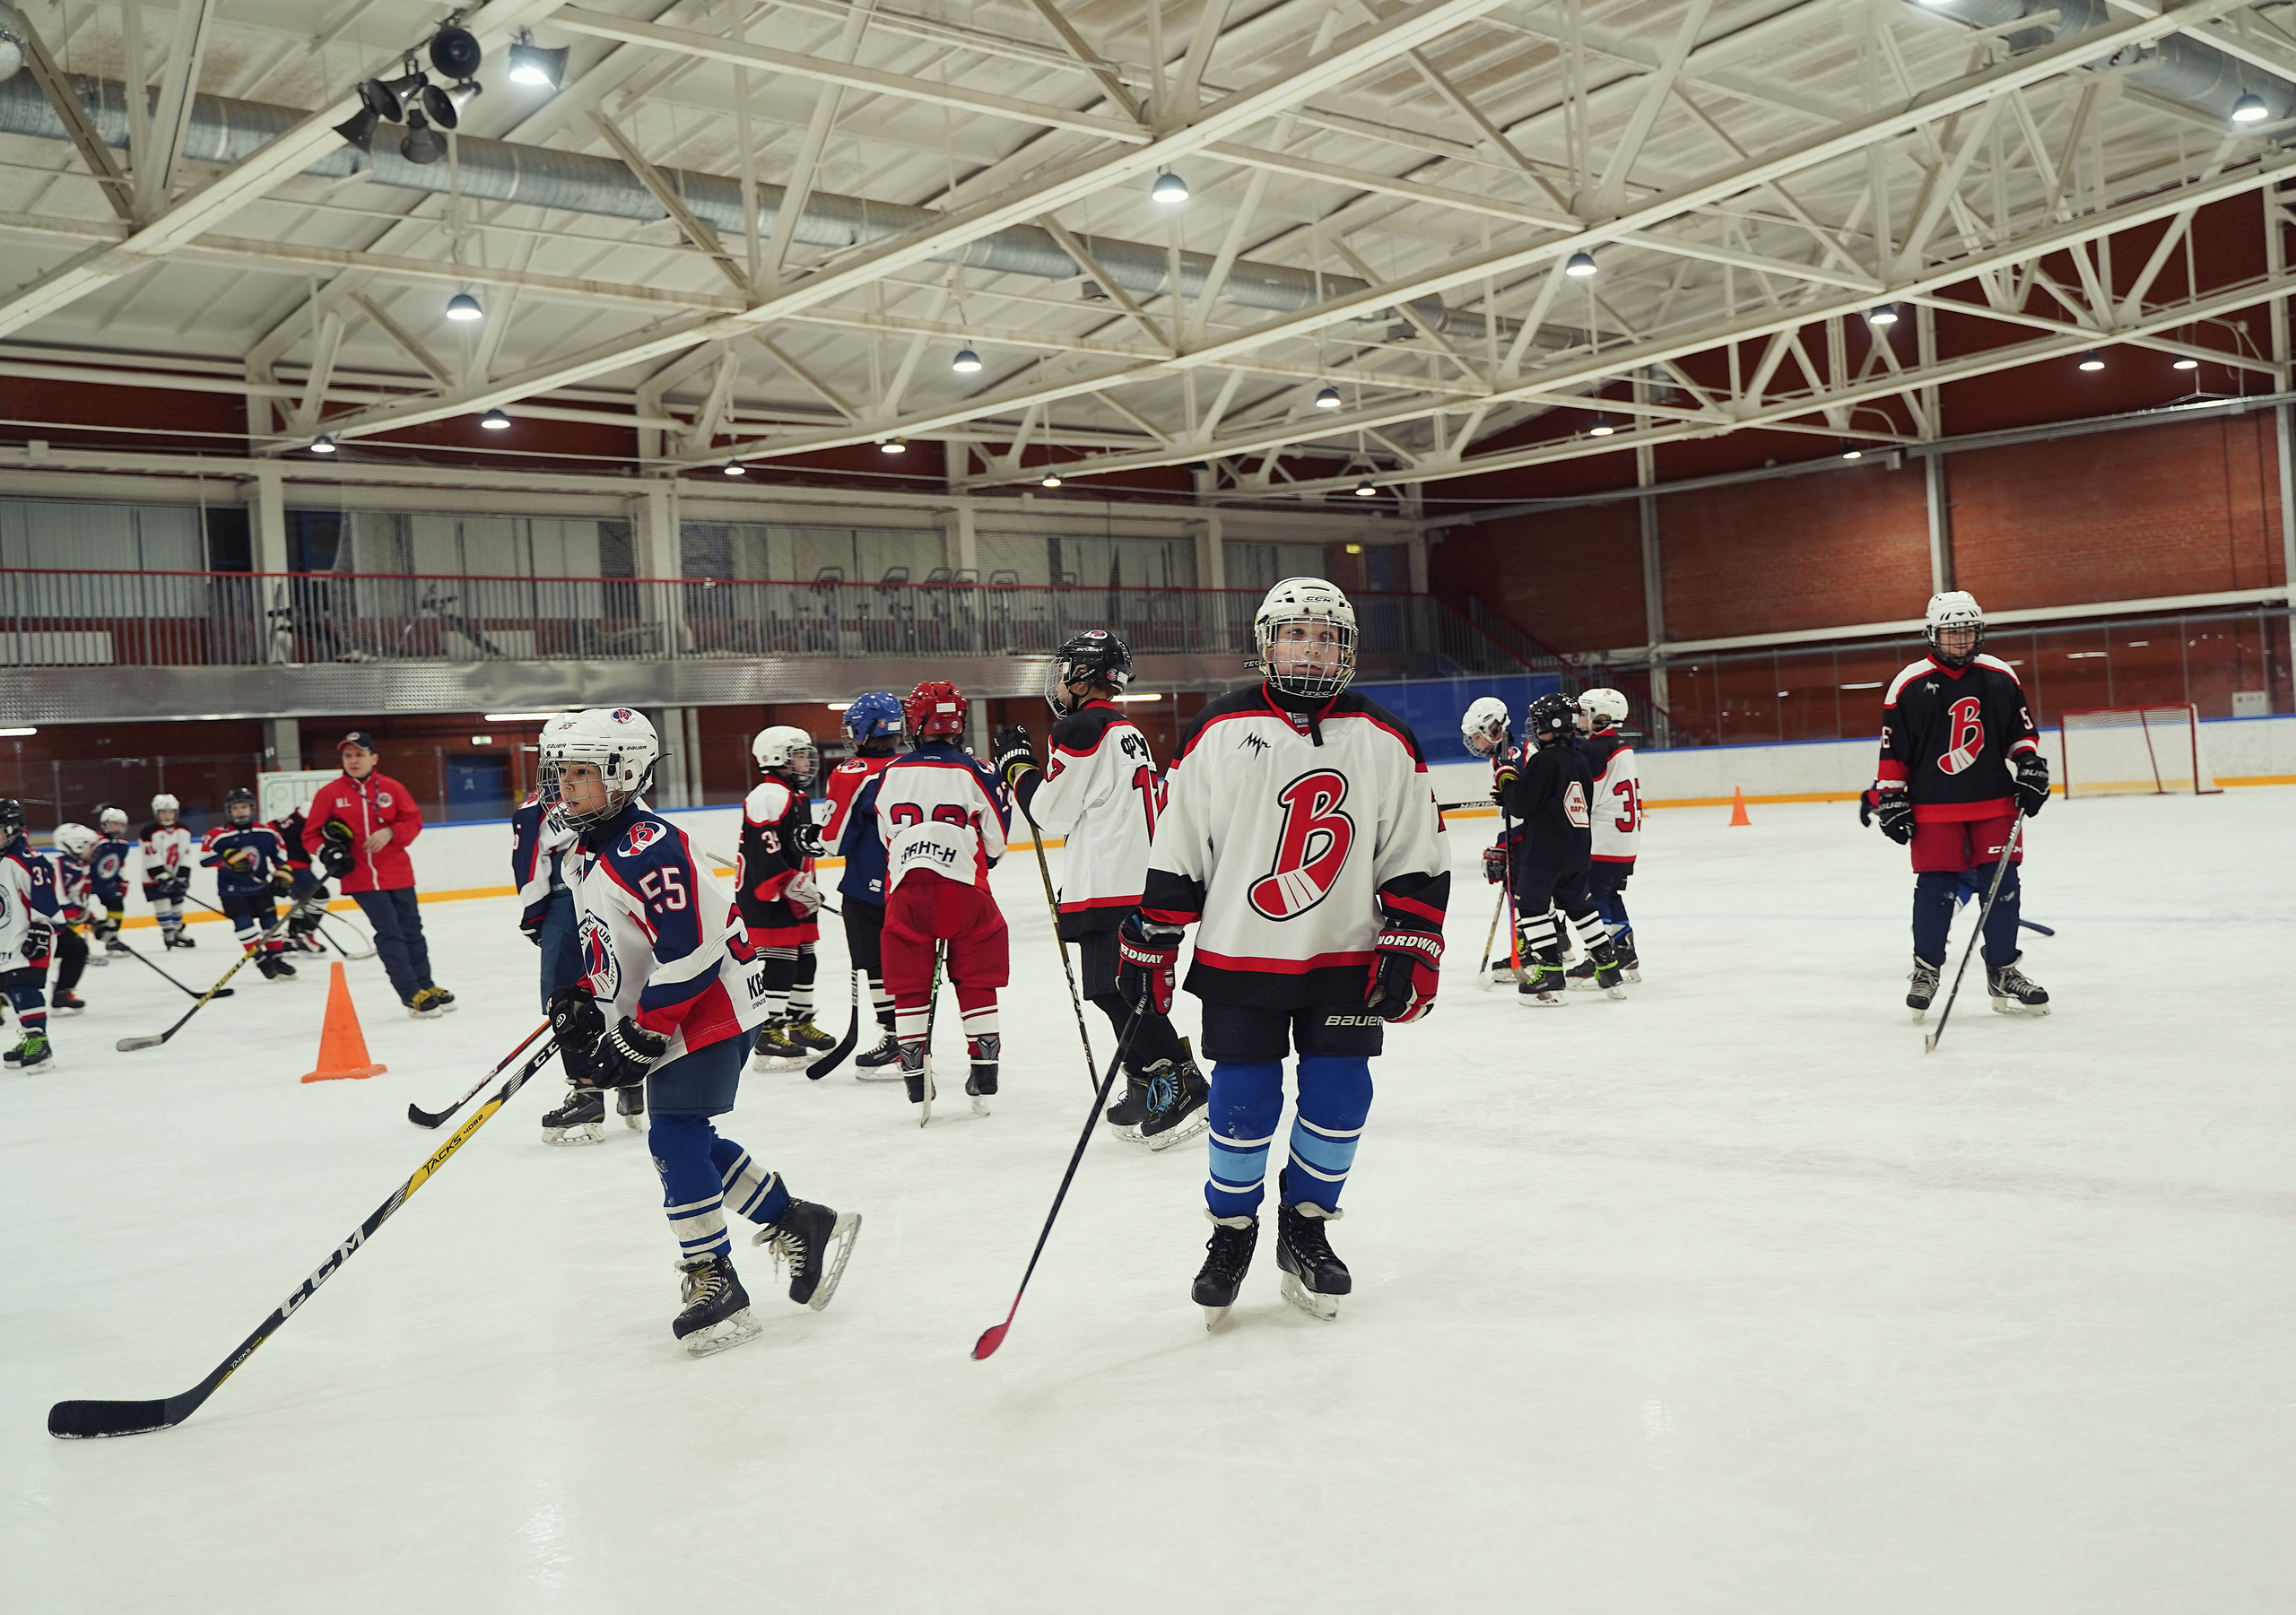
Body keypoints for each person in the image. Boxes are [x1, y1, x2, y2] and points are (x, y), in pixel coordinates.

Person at [1120, 577, 1449, 1328]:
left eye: (1328, 635)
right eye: (1297, 633)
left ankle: (1305, 1226)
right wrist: (1152, 936)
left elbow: (1415, 849)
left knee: (1341, 1096)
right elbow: (1182, 844)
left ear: (1347, 649)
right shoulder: (1220, 729)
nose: (1313, 646)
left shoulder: (1384, 735)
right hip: (1243, 952)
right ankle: (1231, 1234)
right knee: (1242, 1103)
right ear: (1267, 643)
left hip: (1344, 956)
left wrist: (1411, 939)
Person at [539, 706, 860, 1357]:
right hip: (675, 1005)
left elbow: (689, 951)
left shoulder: (648, 846)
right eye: (561, 772)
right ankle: (798, 1217)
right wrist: (584, 997)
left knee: (674, 1133)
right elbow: (611, 941)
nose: (564, 785)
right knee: (688, 1137)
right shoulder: (590, 844)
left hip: (708, 1005)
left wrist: (644, 1032)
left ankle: (713, 1275)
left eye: (580, 772)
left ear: (624, 773)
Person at [991, 629, 1208, 1148]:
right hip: (1122, 880)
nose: (1059, 681)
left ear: (1082, 675)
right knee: (1113, 992)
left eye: (1065, 670)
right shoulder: (1120, 728)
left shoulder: (1083, 727)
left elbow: (1047, 812)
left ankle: (1180, 1082)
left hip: (1114, 885)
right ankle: (1145, 1079)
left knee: (1123, 994)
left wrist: (1016, 765)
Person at [1870, 590, 2050, 1018]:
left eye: (1967, 632)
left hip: (1995, 804)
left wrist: (2029, 764)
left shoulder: (1999, 675)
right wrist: (1892, 796)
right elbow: (1894, 751)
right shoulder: (1908, 684)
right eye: (1951, 633)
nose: (1960, 641)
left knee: (2002, 889)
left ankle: (2004, 969)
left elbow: (2019, 733)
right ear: (1932, 635)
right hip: (1934, 809)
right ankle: (1927, 969)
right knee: (1936, 890)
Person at [874, 680, 1011, 1116]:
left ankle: (916, 1079)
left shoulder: (891, 772)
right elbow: (997, 842)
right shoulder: (980, 770)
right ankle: (984, 1071)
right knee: (977, 978)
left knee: (909, 984)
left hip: (907, 890)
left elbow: (886, 836)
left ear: (915, 722)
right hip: (966, 891)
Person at [303, 730, 454, 1018]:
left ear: (374, 758)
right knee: (390, 932)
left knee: (412, 931)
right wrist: (328, 852)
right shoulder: (329, 794)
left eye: (359, 754)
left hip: (398, 873)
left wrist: (391, 831)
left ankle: (426, 983)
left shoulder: (392, 788)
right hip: (360, 878)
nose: (353, 760)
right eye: (348, 755)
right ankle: (411, 993)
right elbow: (310, 835)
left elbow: (413, 820)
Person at [1494, 693, 1625, 1007]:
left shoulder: (1545, 760)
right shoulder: (1579, 758)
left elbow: (1523, 805)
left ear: (1553, 725)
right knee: (1580, 907)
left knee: (1532, 907)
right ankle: (1608, 968)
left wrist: (1507, 782)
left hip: (1545, 853)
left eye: (1538, 722)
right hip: (1577, 850)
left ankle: (1551, 972)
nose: (1534, 727)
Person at [739, 725, 837, 1069]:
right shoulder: (768, 795)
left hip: (793, 892)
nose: (805, 762)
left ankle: (799, 1022)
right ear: (774, 758)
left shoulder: (793, 795)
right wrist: (793, 884)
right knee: (780, 961)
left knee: (805, 959)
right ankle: (769, 1031)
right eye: (798, 755)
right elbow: (767, 853)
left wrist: (803, 882)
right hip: (770, 897)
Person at [819, 692, 906, 1072]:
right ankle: (913, 1034)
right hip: (915, 881)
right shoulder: (912, 765)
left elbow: (832, 841)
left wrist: (809, 838)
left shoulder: (852, 772)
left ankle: (894, 1036)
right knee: (909, 964)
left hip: (868, 887)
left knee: (877, 965)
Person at [1568, 688, 1643, 986]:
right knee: (1611, 893)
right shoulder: (1620, 745)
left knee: (1593, 895)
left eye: (1586, 713)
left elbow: (1584, 796)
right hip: (1624, 839)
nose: (1580, 719)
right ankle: (1625, 949)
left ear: (1602, 718)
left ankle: (1598, 955)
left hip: (1602, 838)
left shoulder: (1595, 749)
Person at [200, 788, 298, 982]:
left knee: (272, 926)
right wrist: (226, 858)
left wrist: (283, 876)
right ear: (229, 811)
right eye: (235, 808)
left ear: (252, 808)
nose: (240, 812)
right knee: (244, 925)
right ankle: (261, 960)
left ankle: (276, 959)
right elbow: (204, 859)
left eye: (244, 807)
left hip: (261, 889)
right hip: (232, 891)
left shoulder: (267, 833)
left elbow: (281, 858)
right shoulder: (218, 835)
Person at [0, 799, 60, 1070]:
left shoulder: (28, 860)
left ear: (13, 830)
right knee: (12, 988)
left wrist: (40, 929)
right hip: (7, 936)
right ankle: (29, 1035)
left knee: (24, 985)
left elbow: (45, 899)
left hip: (30, 936)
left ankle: (40, 1041)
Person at [1461, 695, 1517, 985]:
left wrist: (1505, 844)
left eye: (1478, 737)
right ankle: (1559, 945)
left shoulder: (1510, 756)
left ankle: (1528, 951)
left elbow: (1521, 809)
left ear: (1494, 729)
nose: (1476, 744)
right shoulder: (1507, 753)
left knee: (1524, 896)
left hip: (1530, 839)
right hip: (1534, 836)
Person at [44, 823, 96, 1012]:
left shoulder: (75, 866)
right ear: (77, 845)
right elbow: (59, 902)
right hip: (38, 925)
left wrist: (94, 920)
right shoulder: (59, 865)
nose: (94, 850)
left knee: (77, 948)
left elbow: (74, 902)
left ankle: (62, 993)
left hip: (50, 925)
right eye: (90, 845)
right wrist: (85, 918)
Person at [268, 800, 330, 954]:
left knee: (302, 900)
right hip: (293, 865)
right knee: (320, 895)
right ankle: (305, 934)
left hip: (289, 863)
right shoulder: (310, 814)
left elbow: (271, 827)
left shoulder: (295, 816)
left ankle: (291, 937)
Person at [140, 794, 197, 949]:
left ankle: (178, 931)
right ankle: (168, 932)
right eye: (163, 812)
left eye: (170, 812)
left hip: (176, 874)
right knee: (163, 903)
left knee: (177, 903)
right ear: (156, 813)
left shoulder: (183, 830)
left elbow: (185, 852)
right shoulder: (148, 832)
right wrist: (162, 875)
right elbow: (151, 855)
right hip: (154, 877)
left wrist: (183, 875)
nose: (167, 815)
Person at [89, 806, 136, 955]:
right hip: (88, 882)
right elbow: (83, 861)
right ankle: (66, 945)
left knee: (117, 904)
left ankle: (112, 939)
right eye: (114, 824)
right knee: (76, 911)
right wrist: (81, 881)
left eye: (121, 825)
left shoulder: (122, 845)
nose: (118, 828)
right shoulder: (95, 842)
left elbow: (118, 864)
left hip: (106, 883)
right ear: (105, 824)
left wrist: (121, 881)